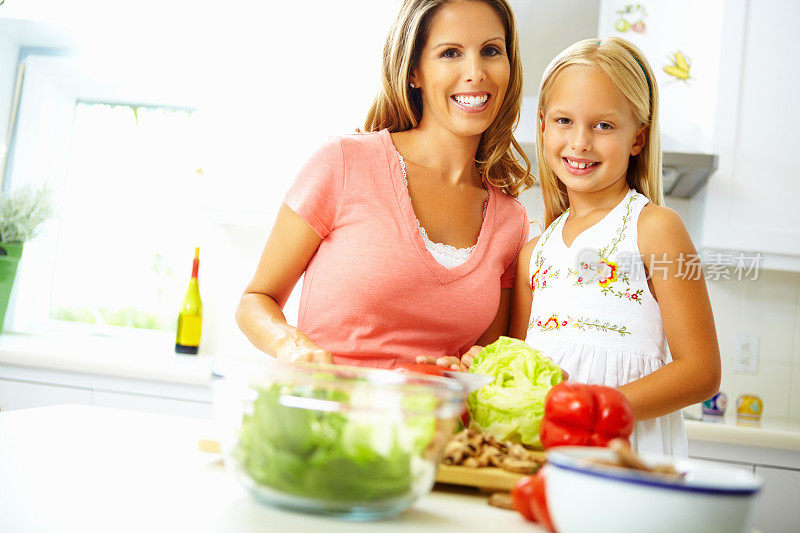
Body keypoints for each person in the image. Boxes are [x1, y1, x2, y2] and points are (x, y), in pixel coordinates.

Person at [236, 0, 533, 369]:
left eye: (490, 51)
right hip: (326, 418)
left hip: (436, 426)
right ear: (414, 71)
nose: (475, 71)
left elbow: (487, 368)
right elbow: (256, 298)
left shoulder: (511, 221)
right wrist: (290, 345)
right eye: (450, 53)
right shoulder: (344, 163)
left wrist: (472, 367)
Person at [509, 37, 721, 456]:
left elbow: (701, 372)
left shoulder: (656, 229)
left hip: (628, 452)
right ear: (544, 124)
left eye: (603, 125)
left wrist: (596, 408)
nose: (580, 142)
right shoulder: (533, 253)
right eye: (564, 121)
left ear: (638, 138)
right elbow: (520, 374)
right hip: (547, 454)